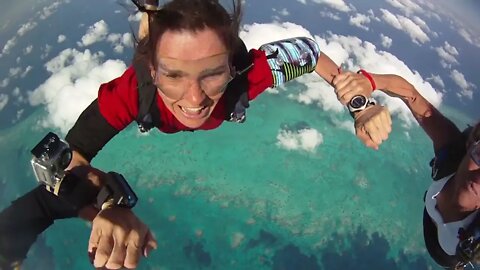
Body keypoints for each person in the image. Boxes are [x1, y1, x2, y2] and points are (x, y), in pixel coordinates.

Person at [0, 0, 392, 269]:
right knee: (146, 43)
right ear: (154, 74)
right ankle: (150, 13)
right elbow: (73, 157)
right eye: (173, 74)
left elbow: (307, 53)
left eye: (212, 74)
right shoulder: (134, 91)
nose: (193, 98)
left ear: (232, 68)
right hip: (147, 76)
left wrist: (360, 103)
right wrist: (106, 205)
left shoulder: (245, 77)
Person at [333, 71, 480, 269]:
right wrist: (370, 82)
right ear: (471, 144)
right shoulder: (452, 152)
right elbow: (411, 95)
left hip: (453, 255)